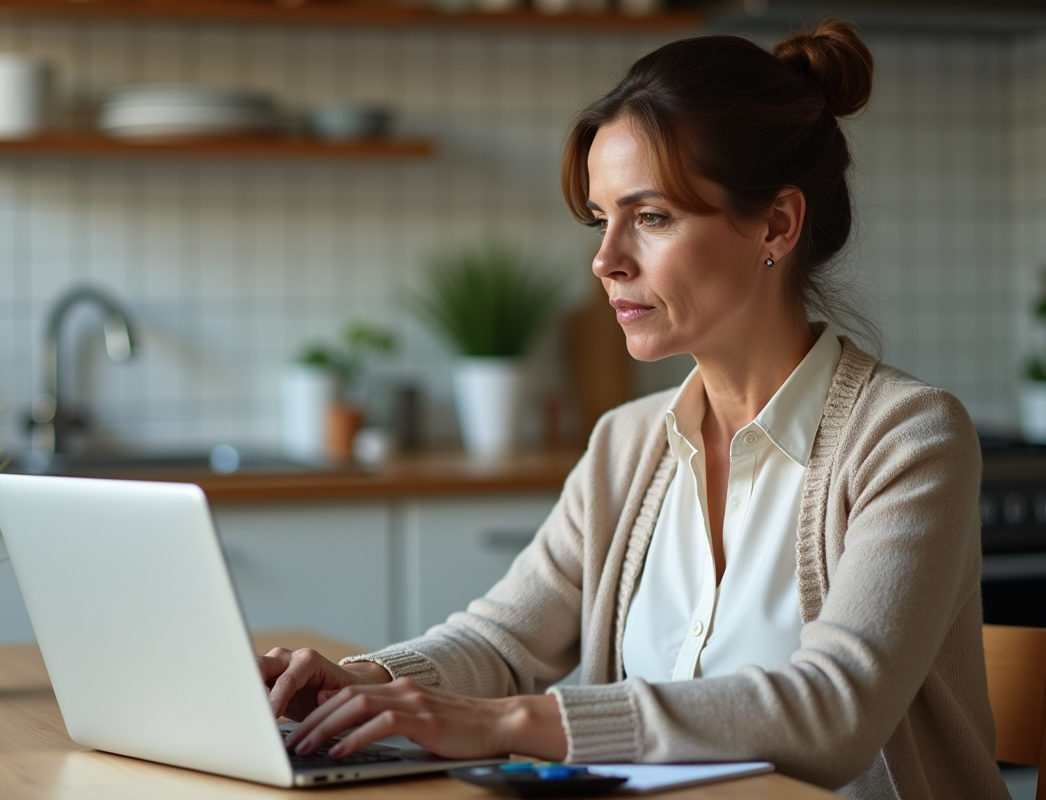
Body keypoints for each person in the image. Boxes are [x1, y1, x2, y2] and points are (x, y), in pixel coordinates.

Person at [260, 20, 1010, 800]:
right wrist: (360, 682)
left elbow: (836, 710)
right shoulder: (626, 445)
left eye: (650, 217)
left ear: (776, 225)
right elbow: (504, 639)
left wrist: (509, 724)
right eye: (600, 218)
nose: (605, 257)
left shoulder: (909, 436)